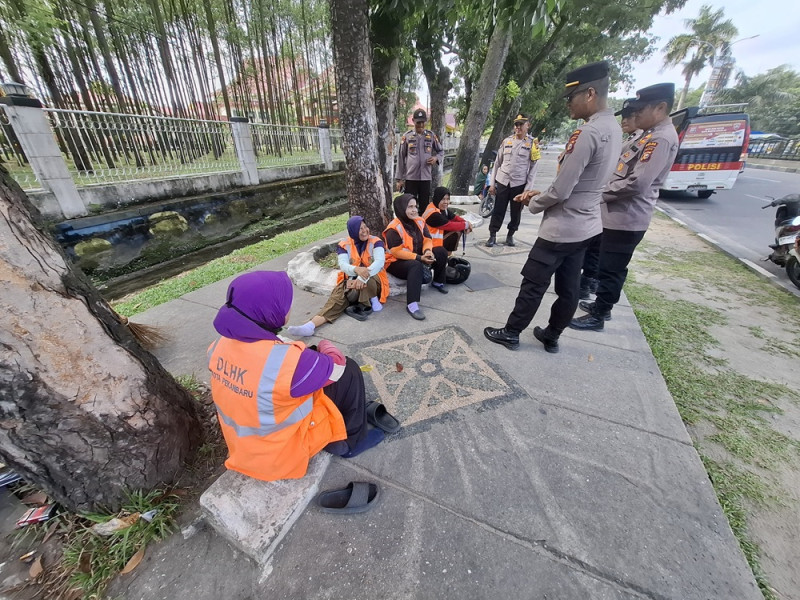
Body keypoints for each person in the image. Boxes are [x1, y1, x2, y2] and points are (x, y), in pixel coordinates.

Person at [483, 61, 622, 353]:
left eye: (571, 97)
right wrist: (541, 192)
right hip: (586, 226)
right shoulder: (615, 128)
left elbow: (562, 189)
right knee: (569, 287)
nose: (568, 104)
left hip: (562, 227)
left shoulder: (588, 133)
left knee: (533, 282)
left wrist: (533, 200)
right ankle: (552, 335)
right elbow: (582, 182)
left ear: (589, 94)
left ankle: (511, 332)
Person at [207, 271, 384, 482]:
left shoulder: (217, 346)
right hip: (282, 453)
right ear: (269, 310)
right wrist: (326, 345)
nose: (289, 308)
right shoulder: (287, 362)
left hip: (244, 449)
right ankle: (351, 443)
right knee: (350, 369)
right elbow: (337, 366)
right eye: (286, 303)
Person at [570, 83, 679, 332]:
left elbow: (637, 183)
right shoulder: (646, 134)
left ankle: (600, 313)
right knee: (607, 264)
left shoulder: (660, 138)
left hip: (627, 217)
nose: (635, 115)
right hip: (616, 214)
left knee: (613, 268)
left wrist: (599, 194)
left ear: (661, 107)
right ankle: (601, 304)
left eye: (641, 109)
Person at [578, 98, 643, 300]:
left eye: (630, 116)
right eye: (623, 116)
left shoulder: (645, 141)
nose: (624, 120)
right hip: (609, 210)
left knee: (610, 265)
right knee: (598, 253)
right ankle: (591, 287)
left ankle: (599, 309)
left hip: (623, 214)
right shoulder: (628, 139)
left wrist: (600, 194)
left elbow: (636, 183)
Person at [287, 216, 389, 336]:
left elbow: (379, 263)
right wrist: (356, 269)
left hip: (375, 281)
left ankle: (372, 300)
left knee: (368, 280)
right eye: (360, 228)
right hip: (351, 281)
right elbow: (343, 265)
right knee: (336, 299)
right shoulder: (344, 244)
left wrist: (362, 276)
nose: (365, 230)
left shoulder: (376, 241)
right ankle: (310, 326)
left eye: (365, 227)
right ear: (353, 230)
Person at [383, 193, 449, 320]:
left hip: (418, 254)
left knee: (440, 251)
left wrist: (428, 251)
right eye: (410, 207)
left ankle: (438, 282)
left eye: (415, 206)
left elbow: (427, 239)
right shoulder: (393, 228)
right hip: (395, 262)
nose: (414, 210)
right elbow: (396, 252)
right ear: (401, 208)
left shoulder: (420, 221)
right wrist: (419, 258)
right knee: (415, 265)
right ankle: (412, 304)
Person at [485, 113, 540, 247]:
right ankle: (492, 235)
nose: (518, 127)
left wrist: (527, 189)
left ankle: (510, 235)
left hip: (519, 184)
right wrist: (492, 184)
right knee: (498, 210)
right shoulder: (506, 141)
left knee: (516, 212)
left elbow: (533, 168)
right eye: (516, 124)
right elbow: (497, 163)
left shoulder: (532, 143)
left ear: (528, 125)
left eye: (521, 124)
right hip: (503, 181)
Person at [395, 108, 442, 211]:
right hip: (411, 178)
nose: (421, 125)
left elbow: (441, 151)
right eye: (418, 122)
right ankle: (411, 226)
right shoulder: (407, 137)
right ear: (413, 121)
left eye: (423, 122)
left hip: (425, 178)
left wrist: (436, 158)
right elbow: (401, 157)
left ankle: (423, 226)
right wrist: (399, 179)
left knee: (425, 206)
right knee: (410, 206)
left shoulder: (431, 136)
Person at [422, 186, 473, 254]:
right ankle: (446, 254)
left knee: (460, 228)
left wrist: (466, 223)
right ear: (437, 199)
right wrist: (466, 225)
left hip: (436, 241)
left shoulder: (441, 208)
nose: (446, 202)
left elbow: (455, 218)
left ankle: (447, 253)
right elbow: (449, 225)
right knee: (456, 231)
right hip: (430, 244)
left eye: (448, 199)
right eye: (443, 199)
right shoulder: (433, 214)